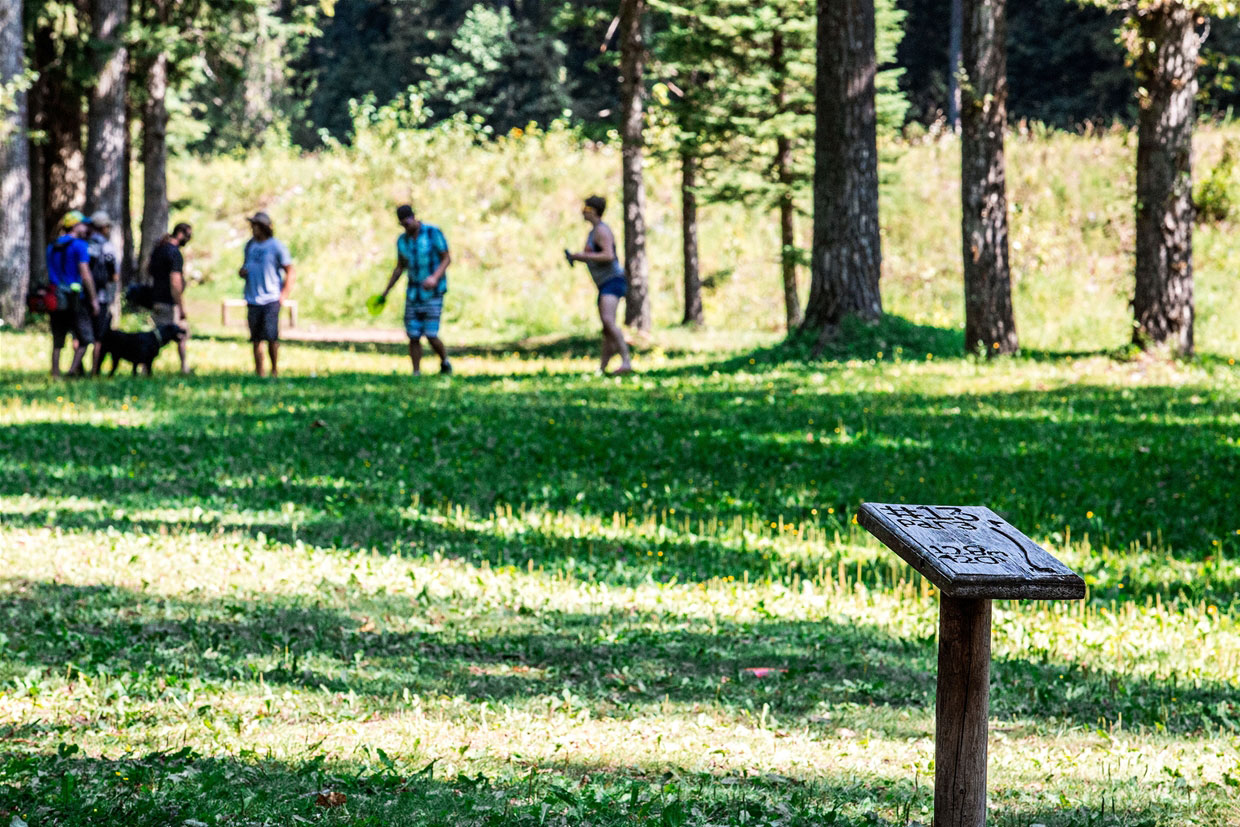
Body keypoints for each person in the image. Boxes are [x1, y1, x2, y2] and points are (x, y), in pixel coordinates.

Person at [379, 204, 452, 376]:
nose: (406, 227)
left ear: (414, 217)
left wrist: (434, 278)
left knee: (431, 333)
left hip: (433, 293)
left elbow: (447, 258)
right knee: (413, 334)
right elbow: (400, 267)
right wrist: (386, 292)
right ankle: (416, 372)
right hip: (413, 293)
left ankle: (444, 362)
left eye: (408, 223)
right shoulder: (402, 241)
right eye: (403, 224)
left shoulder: (433, 233)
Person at [567, 195, 632, 375]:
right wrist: (577, 257)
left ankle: (626, 361)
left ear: (594, 211)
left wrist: (583, 256)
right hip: (604, 283)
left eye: (586, 209)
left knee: (608, 322)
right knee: (606, 328)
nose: (583, 212)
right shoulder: (593, 231)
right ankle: (603, 368)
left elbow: (608, 255)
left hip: (613, 281)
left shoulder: (602, 230)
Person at [238, 211, 294, 377]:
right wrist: (242, 272)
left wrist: (283, 295)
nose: (253, 229)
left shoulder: (276, 246)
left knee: (271, 336)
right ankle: (259, 371)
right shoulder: (250, 246)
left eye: (256, 226)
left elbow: (290, 271)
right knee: (255, 338)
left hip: (271, 298)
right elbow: (245, 266)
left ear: (264, 228)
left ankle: (274, 370)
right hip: (252, 297)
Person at [46, 211, 99, 378]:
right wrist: (94, 299)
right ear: (75, 226)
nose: (86, 228)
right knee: (86, 337)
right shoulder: (80, 245)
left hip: (55, 297)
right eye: (83, 224)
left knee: (58, 338)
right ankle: (71, 371)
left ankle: (55, 374)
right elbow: (85, 273)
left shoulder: (52, 245)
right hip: (75, 298)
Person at [148, 222, 193, 375]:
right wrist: (180, 306)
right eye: (188, 236)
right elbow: (175, 282)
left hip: (155, 299)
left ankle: (184, 366)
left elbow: (148, 270)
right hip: (169, 302)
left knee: (159, 335)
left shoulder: (159, 249)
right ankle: (183, 367)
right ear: (180, 233)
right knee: (177, 334)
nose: (189, 239)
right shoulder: (174, 253)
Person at [87, 211, 120, 376]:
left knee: (79, 335)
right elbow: (114, 275)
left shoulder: (83, 244)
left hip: (82, 296)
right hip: (100, 297)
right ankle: (94, 371)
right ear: (104, 227)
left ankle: (77, 368)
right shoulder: (107, 247)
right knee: (99, 336)